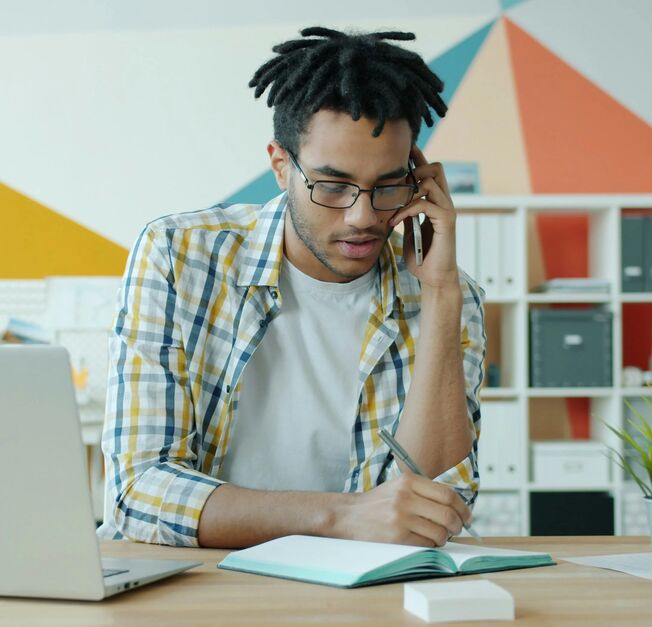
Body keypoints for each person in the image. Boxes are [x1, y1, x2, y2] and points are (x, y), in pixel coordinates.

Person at [99, 26, 486, 549]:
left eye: (388, 186)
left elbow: (437, 503)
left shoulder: (448, 295)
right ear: (281, 166)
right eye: (332, 186)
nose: (363, 216)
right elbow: (138, 490)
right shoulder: (179, 255)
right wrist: (340, 517)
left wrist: (440, 295)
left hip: (365, 586)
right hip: (202, 578)